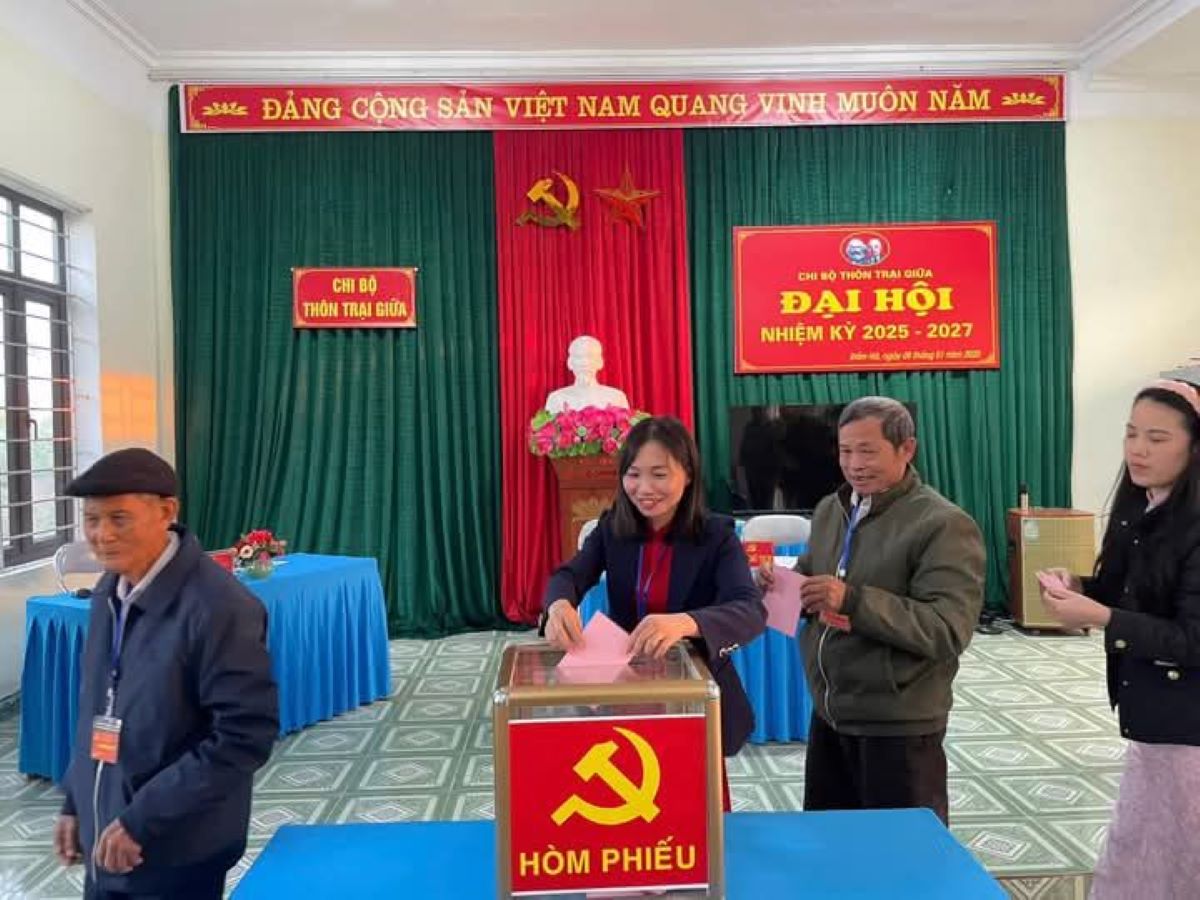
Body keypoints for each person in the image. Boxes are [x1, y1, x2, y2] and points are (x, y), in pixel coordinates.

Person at [53, 448, 279, 900]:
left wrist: (143, 820)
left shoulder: (220, 607)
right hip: (108, 834)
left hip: (177, 844)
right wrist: (76, 799)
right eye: (91, 519)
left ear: (167, 511)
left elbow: (243, 735)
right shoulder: (107, 593)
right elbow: (96, 706)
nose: (101, 535)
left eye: (119, 518)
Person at [763, 396, 985, 823]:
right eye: (845, 451)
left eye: (868, 450)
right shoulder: (832, 509)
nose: (854, 464)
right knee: (832, 846)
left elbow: (946, 629)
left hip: (898, 725)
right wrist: (782, 586)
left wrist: (852, 600)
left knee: (902, 860)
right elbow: (812, 581)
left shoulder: (942, 524)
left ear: (907, 449)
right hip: (831, 714)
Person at [1038, 380, 1200, 898]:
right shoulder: (1142, 509)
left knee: (1179, 852)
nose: (1138, 449)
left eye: (1157, 438)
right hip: (1155, 718)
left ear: (1194, 447)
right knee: (1143, 845)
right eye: (1131, 434)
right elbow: (1126, 593)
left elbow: (1192, 639)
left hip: (1189, 727)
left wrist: (1104, 617)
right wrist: (1078, 589)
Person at [540, 417, 767, 775]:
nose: (644, 487)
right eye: (633, 474)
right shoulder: (613, 527)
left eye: (659, 475)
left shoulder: (717, 536)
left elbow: (750, 611)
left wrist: (687, 622)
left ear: (688, 474)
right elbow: (569, 575)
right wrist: (558, 604)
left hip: (692, 697)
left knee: (691, 811)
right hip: (623, 694)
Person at [543, 335, 631, 413]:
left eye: (590, 356)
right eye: (579, 357)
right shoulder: (556, 398)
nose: (585, 363)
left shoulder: (616, 397)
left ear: (600, 362)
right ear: (570, 363)